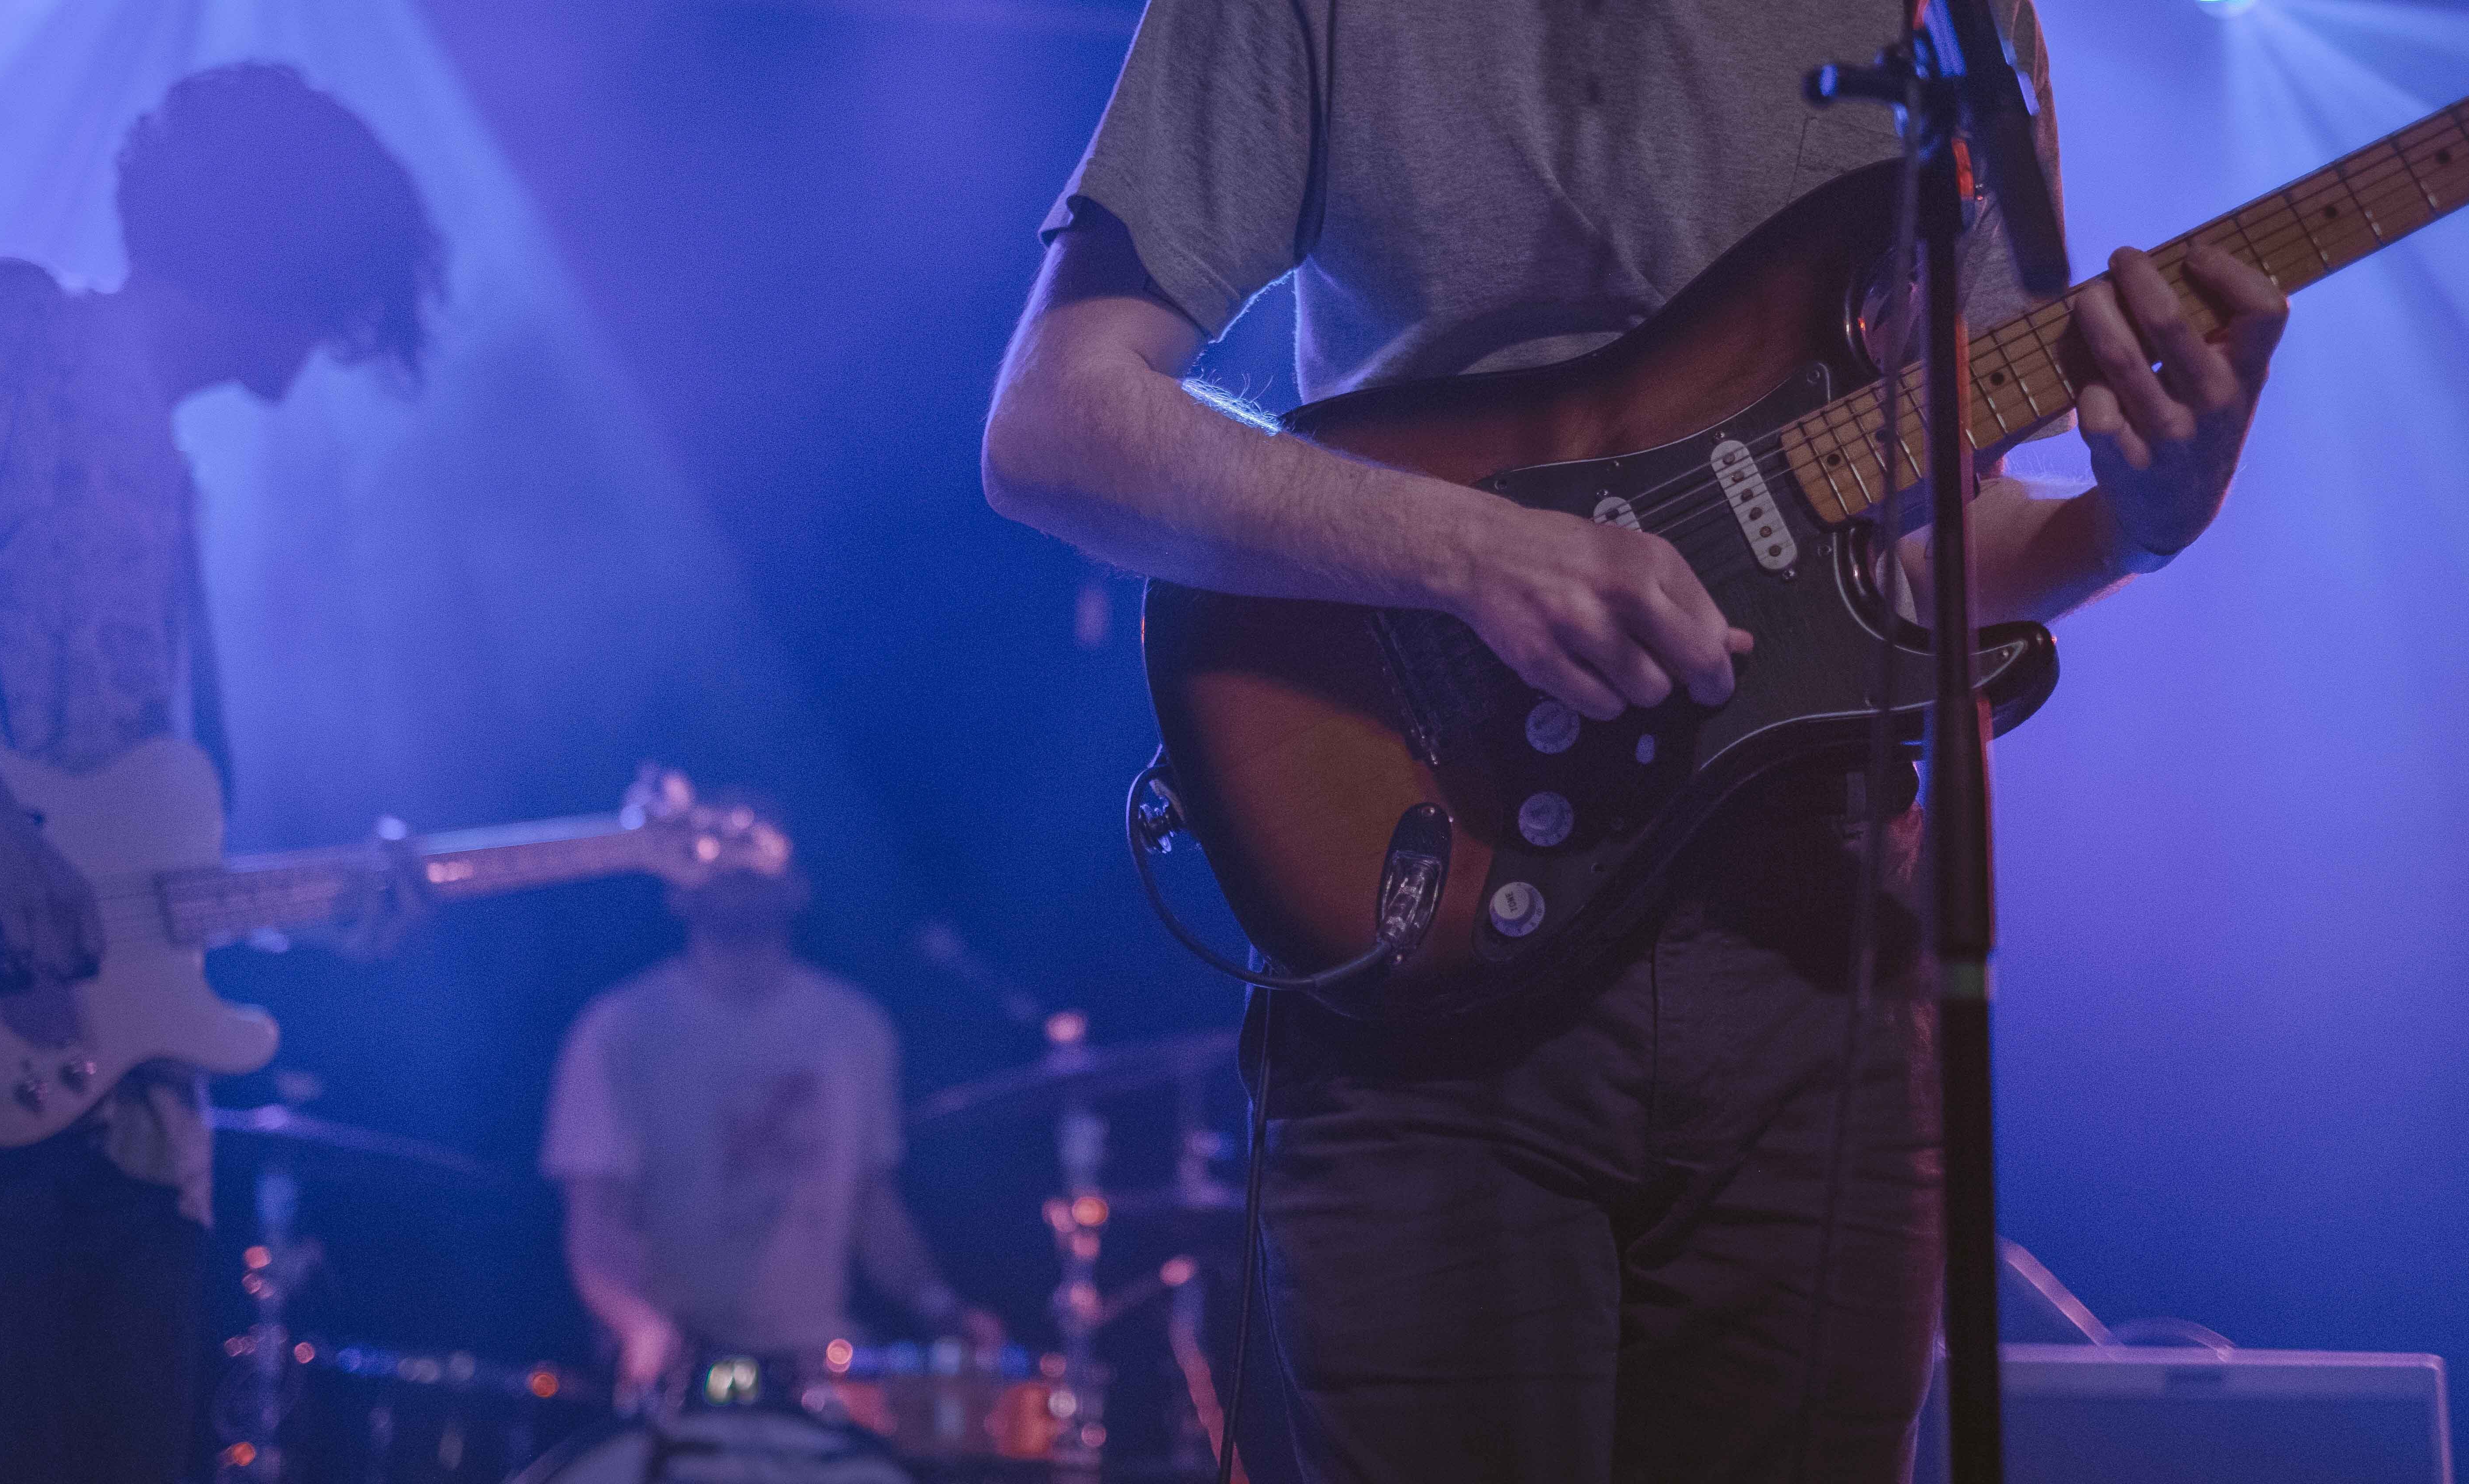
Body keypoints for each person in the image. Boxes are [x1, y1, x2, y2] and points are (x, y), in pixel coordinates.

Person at [980, 2, 2288, 1480]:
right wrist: (1467, 550)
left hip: (1820, 961)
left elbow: (1915, 543)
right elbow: (1055, 421)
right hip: (1442, 930)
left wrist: (2140, 523)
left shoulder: (1950, 17)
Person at [0, 62, 445, 1484]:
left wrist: (310, 905)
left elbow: (141, 856)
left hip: (128, 1138)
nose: (331, 339)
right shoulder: (9, 334)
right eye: (337, 290)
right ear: (286, 253)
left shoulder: (172, 475)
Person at [541, 791, 1002, 1409]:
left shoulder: (853, 1028)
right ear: (677, 884)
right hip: (677, 1380)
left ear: (797, 884)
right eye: (718, 857)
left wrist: (941, 1308)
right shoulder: (620, 1029)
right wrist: (641, 1329)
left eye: (755, 855)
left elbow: (870, 1205)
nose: (738, 874)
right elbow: (596, 1219)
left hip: (815, 1376)